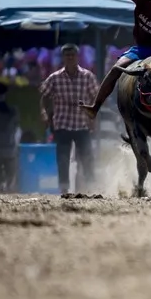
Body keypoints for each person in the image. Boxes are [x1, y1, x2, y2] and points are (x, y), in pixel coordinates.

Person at [39, 43, 99, 194]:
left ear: (77, 57)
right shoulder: (55, 78)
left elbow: (96, 98)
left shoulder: (87, 76)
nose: (70, 58)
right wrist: (45, 113)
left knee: (86, 157)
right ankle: (64, 188)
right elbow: (44, 96)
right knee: (63, 158)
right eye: (67, 55)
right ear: (63, 58)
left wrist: (93, 117)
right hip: (62, 122)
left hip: (82, 123)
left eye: (72, 55)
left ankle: (90, 187)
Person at [0, 82, 19, 193]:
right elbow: (16, 128)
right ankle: (8, 189)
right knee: (11, 174)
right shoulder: (13, 110)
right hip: (10, 148)